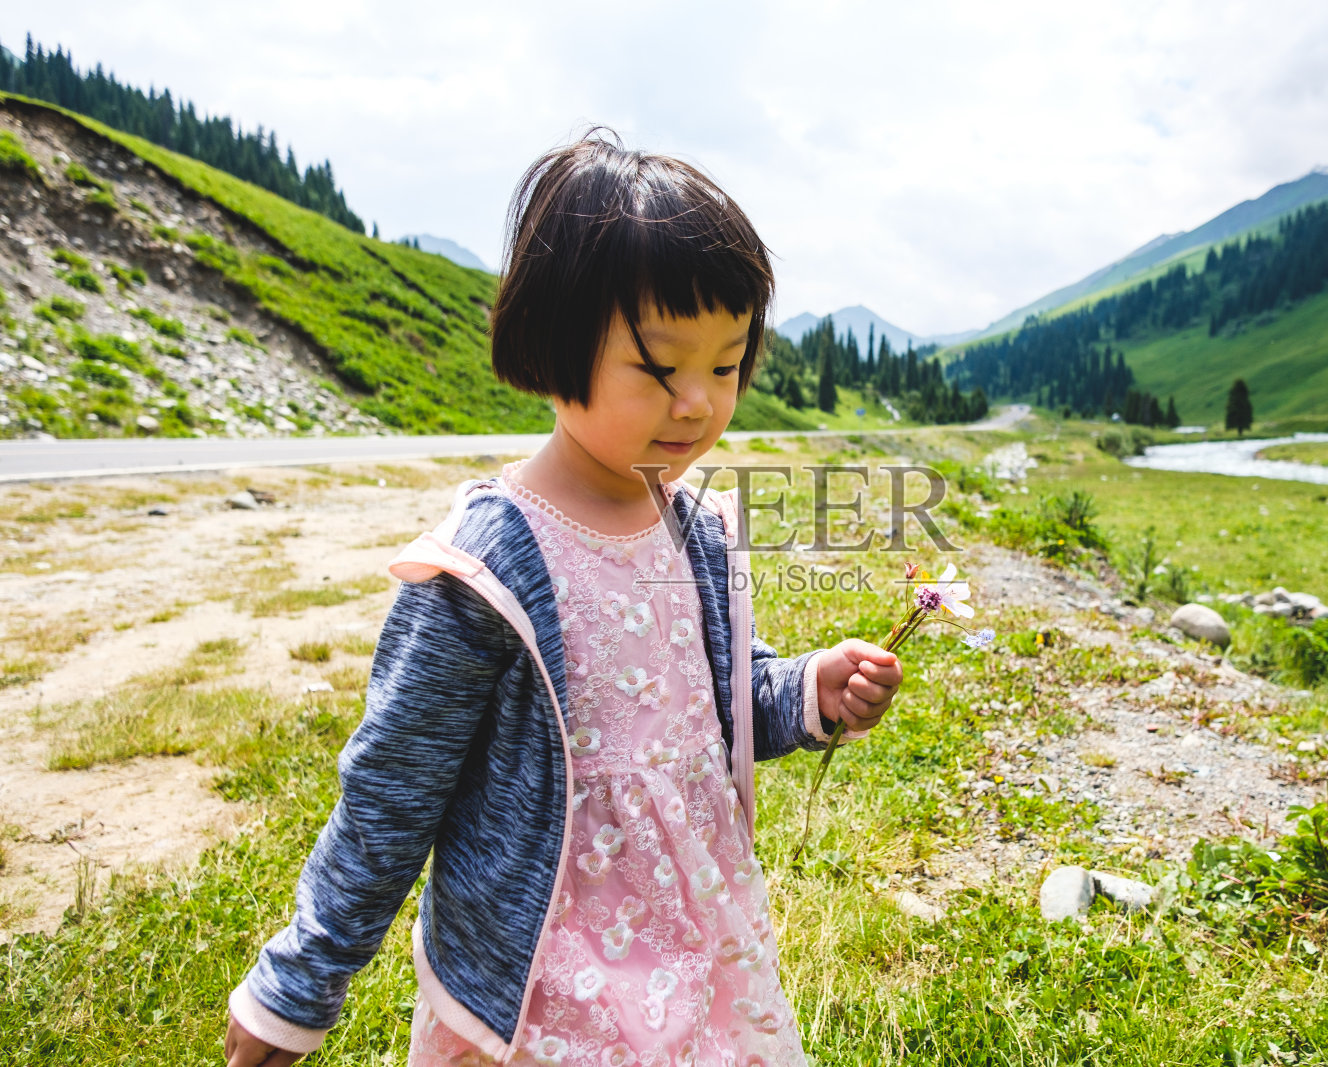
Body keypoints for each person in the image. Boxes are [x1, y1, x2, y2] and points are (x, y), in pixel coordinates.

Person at [223, 131, 903, 1067]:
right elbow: (390, 794)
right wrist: (296, 988)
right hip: (549, 982)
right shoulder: (489, 565)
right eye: (663, 368)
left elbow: (715, 708)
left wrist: (808, 692)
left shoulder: (695, 534)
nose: (699, 404)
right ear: (555, 341)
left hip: (700, 951)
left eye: (726, 364)